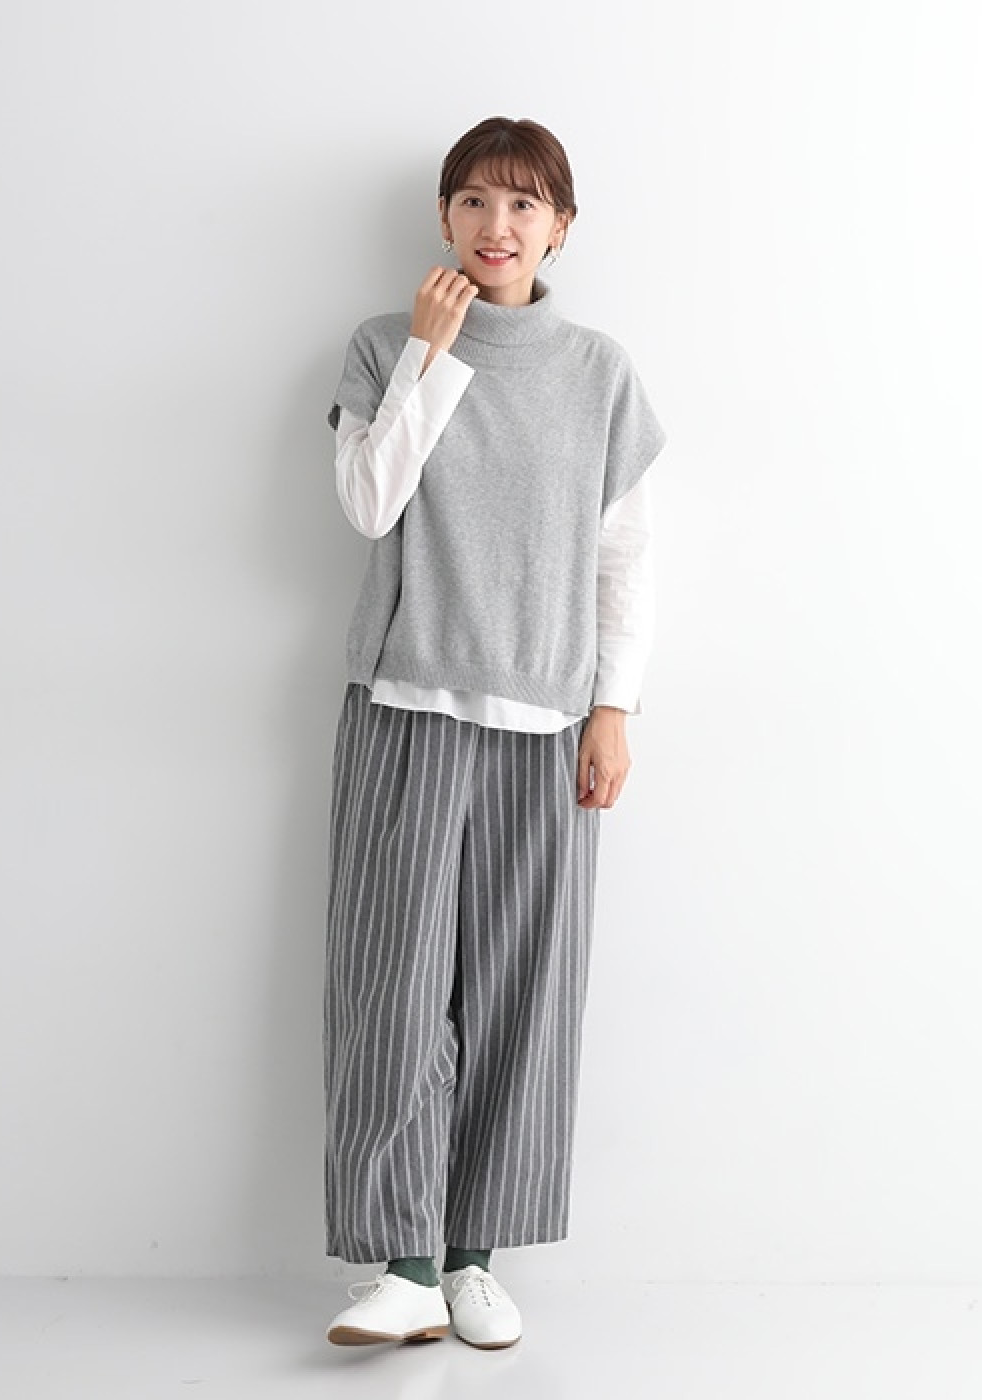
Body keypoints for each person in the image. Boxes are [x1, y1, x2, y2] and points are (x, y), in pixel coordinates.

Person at [320, 116, 667, 1350]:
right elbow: (370, 506)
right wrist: (430, 354)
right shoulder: (385, 343)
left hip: (547, 721)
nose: (497, 224)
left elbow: (626, 559)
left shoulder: (599, 372)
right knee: (393, 990)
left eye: (524, 204)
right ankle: (405, 1263)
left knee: (524, 991)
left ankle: (474, 1255)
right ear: (444, 216)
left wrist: (613, 708)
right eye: (473, 200)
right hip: (405, 704)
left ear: (561, 226)